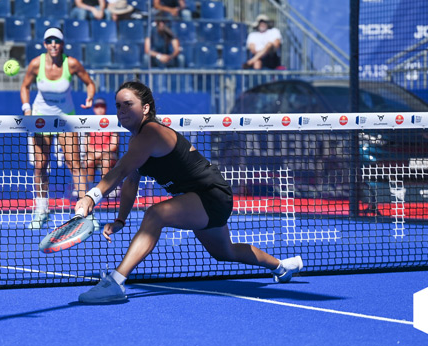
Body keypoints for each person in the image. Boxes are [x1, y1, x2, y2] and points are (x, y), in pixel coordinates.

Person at [75, 81, 303, 303]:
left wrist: (91, 196)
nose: (121, 110)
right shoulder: (136, 140)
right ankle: (283, 267)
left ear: (145, 108)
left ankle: (116, 281)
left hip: (210, 193)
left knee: (155, 214)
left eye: (128, 104)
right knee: (225, 252)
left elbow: (121, 169)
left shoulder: (151, 132)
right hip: (198, 199)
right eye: (118, 105)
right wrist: (121, 220)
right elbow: (130, 181)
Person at [20, 27, 96, 229]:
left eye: (57, 41)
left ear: (62, 44)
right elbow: (25, 86)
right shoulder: (36, 64)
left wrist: (90, 97)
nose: (53, 44)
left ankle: (85, 212)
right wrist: (27, 109)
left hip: (65, 119)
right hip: (40, 119)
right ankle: (41, 210)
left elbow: (89, 83)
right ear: (45, 45)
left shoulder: (71, 64)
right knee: (40, 165)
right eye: (49, 41)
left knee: (75, 164)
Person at [84, 97, 120, 196]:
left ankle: (107, 188)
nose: (99, 109)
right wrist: (95, 153)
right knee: (88, 161)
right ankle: (90, 188)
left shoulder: (112, 122)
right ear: (94, 109)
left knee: (106, 161)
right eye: (97, 107)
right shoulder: (89, 123)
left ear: (105, 108)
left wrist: (101, 152)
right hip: (93, 155)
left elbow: (114, 144)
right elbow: (86, 145)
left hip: (108, 155)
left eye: (102, 107)